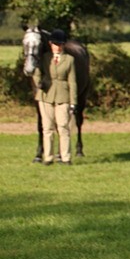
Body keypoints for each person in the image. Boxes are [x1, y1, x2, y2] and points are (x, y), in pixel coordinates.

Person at [33, 29, 76, 165]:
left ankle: (65, 157)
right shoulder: (45, 58)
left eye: (60, 44)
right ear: (50, 44)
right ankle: (48, 157)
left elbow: (72, 82)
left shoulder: (69, 60)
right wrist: (39, 83)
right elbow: (36, 72)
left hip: (63, 96)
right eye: (55, 44)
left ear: (63, 45)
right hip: (46, 95)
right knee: (47, 128)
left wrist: (73, 102)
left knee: (63, 127)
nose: (57, 47)